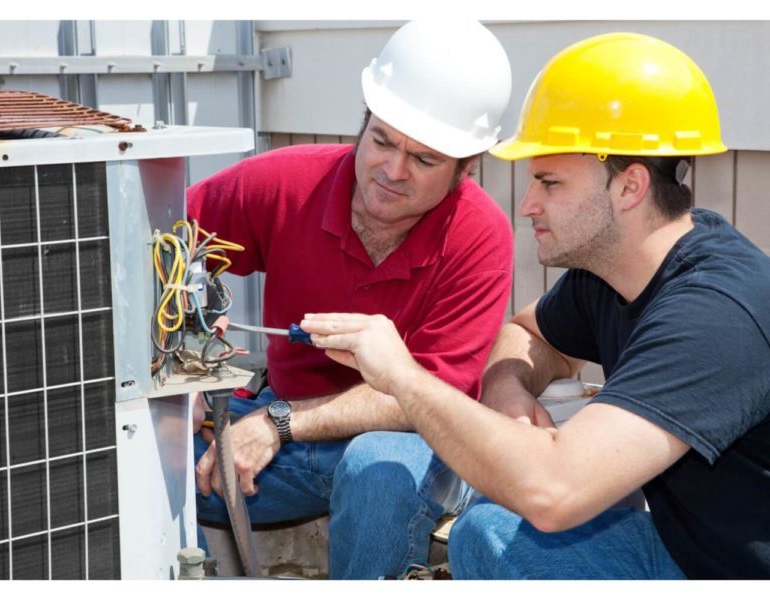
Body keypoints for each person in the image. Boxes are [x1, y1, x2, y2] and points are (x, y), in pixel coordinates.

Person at [302, 32, 770, 579]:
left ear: (629, 187)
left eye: (548, 182)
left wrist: (402, 376)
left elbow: (554, 493)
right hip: (683, 547)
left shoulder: (715, 316)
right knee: (486, 534)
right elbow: (530, 332)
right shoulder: (616, 270)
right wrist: (507, 390)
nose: (527, 205)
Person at [186, 19, 514, 579]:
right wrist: (182, 371)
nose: (392, 170)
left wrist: (278, 422)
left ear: (468, 167)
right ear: (363, 122)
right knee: (145, 463)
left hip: (401, 447)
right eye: (382, 140)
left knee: (377, 469)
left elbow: (432, 397)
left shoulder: (481, 236)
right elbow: (154, 248)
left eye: (425, 159)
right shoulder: (285, 184)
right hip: (271, 441)